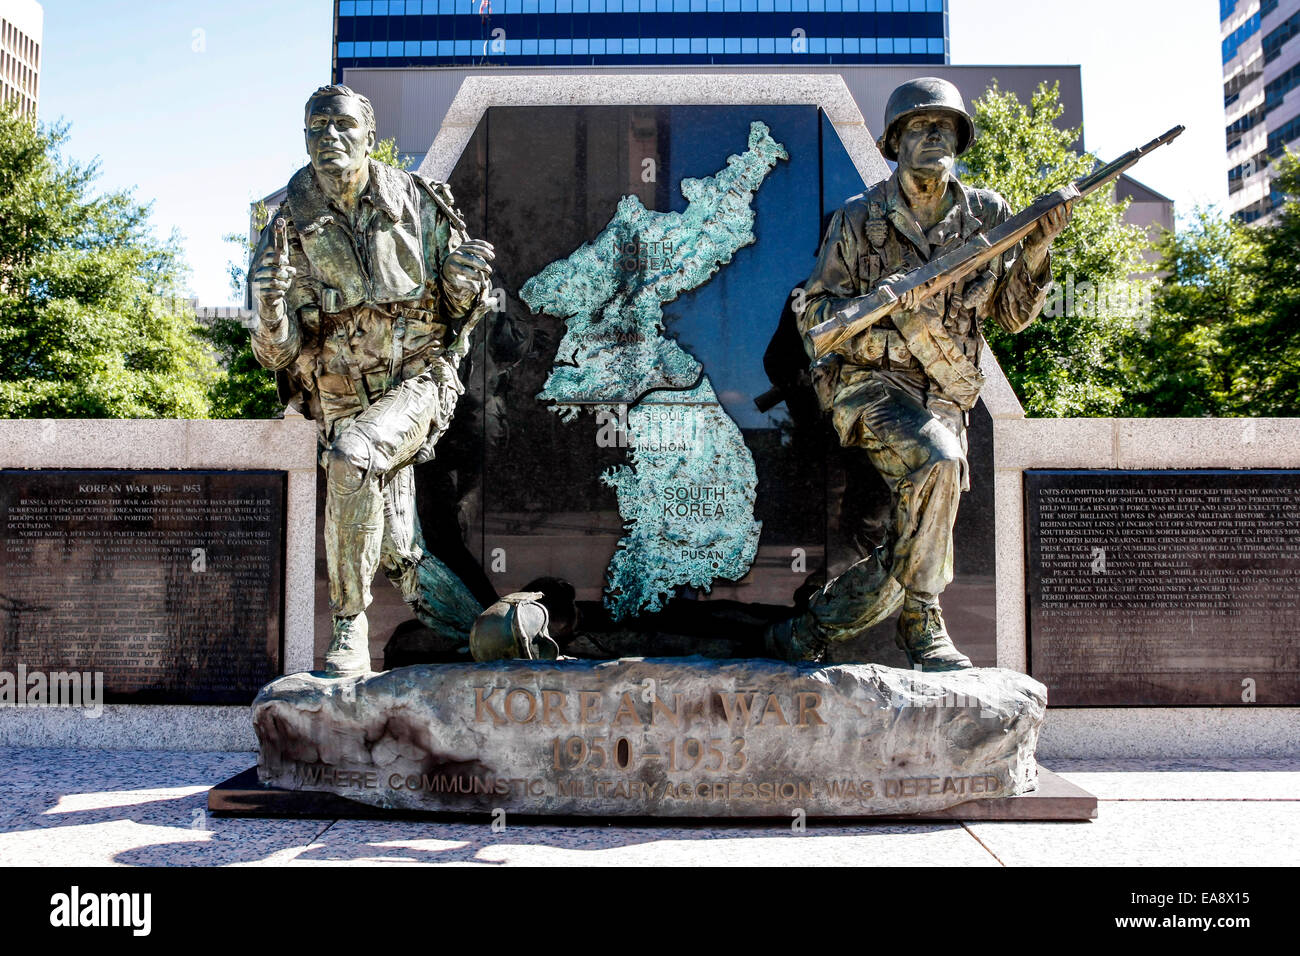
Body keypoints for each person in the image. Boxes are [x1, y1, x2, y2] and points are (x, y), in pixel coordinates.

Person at [771, 77, 1071, 671]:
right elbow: (817, 321)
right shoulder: (858, 219)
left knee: (924, 501)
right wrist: (885, 308)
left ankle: (819, 625)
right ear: (892, 142)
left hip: (947, 392)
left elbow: (1010, 315)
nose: (934, 135)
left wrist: (1038, 249)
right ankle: (922, 619)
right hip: (870, 389)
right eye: (919, 125)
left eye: (946, 127)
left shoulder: (988, 215)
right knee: (938, 460)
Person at [249, 84, 496, 677]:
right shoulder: (283, 227)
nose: (327, 137)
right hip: (337, 395)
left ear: (367, 131)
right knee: (401, 553)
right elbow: (275, 355)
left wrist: (464, 278)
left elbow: (464, 305)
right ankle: (494, 634)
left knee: (351, 459)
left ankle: (349, 627)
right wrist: (269, 307)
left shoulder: (414, 201)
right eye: (315, 128)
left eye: (340, 125)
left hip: (416, 383)